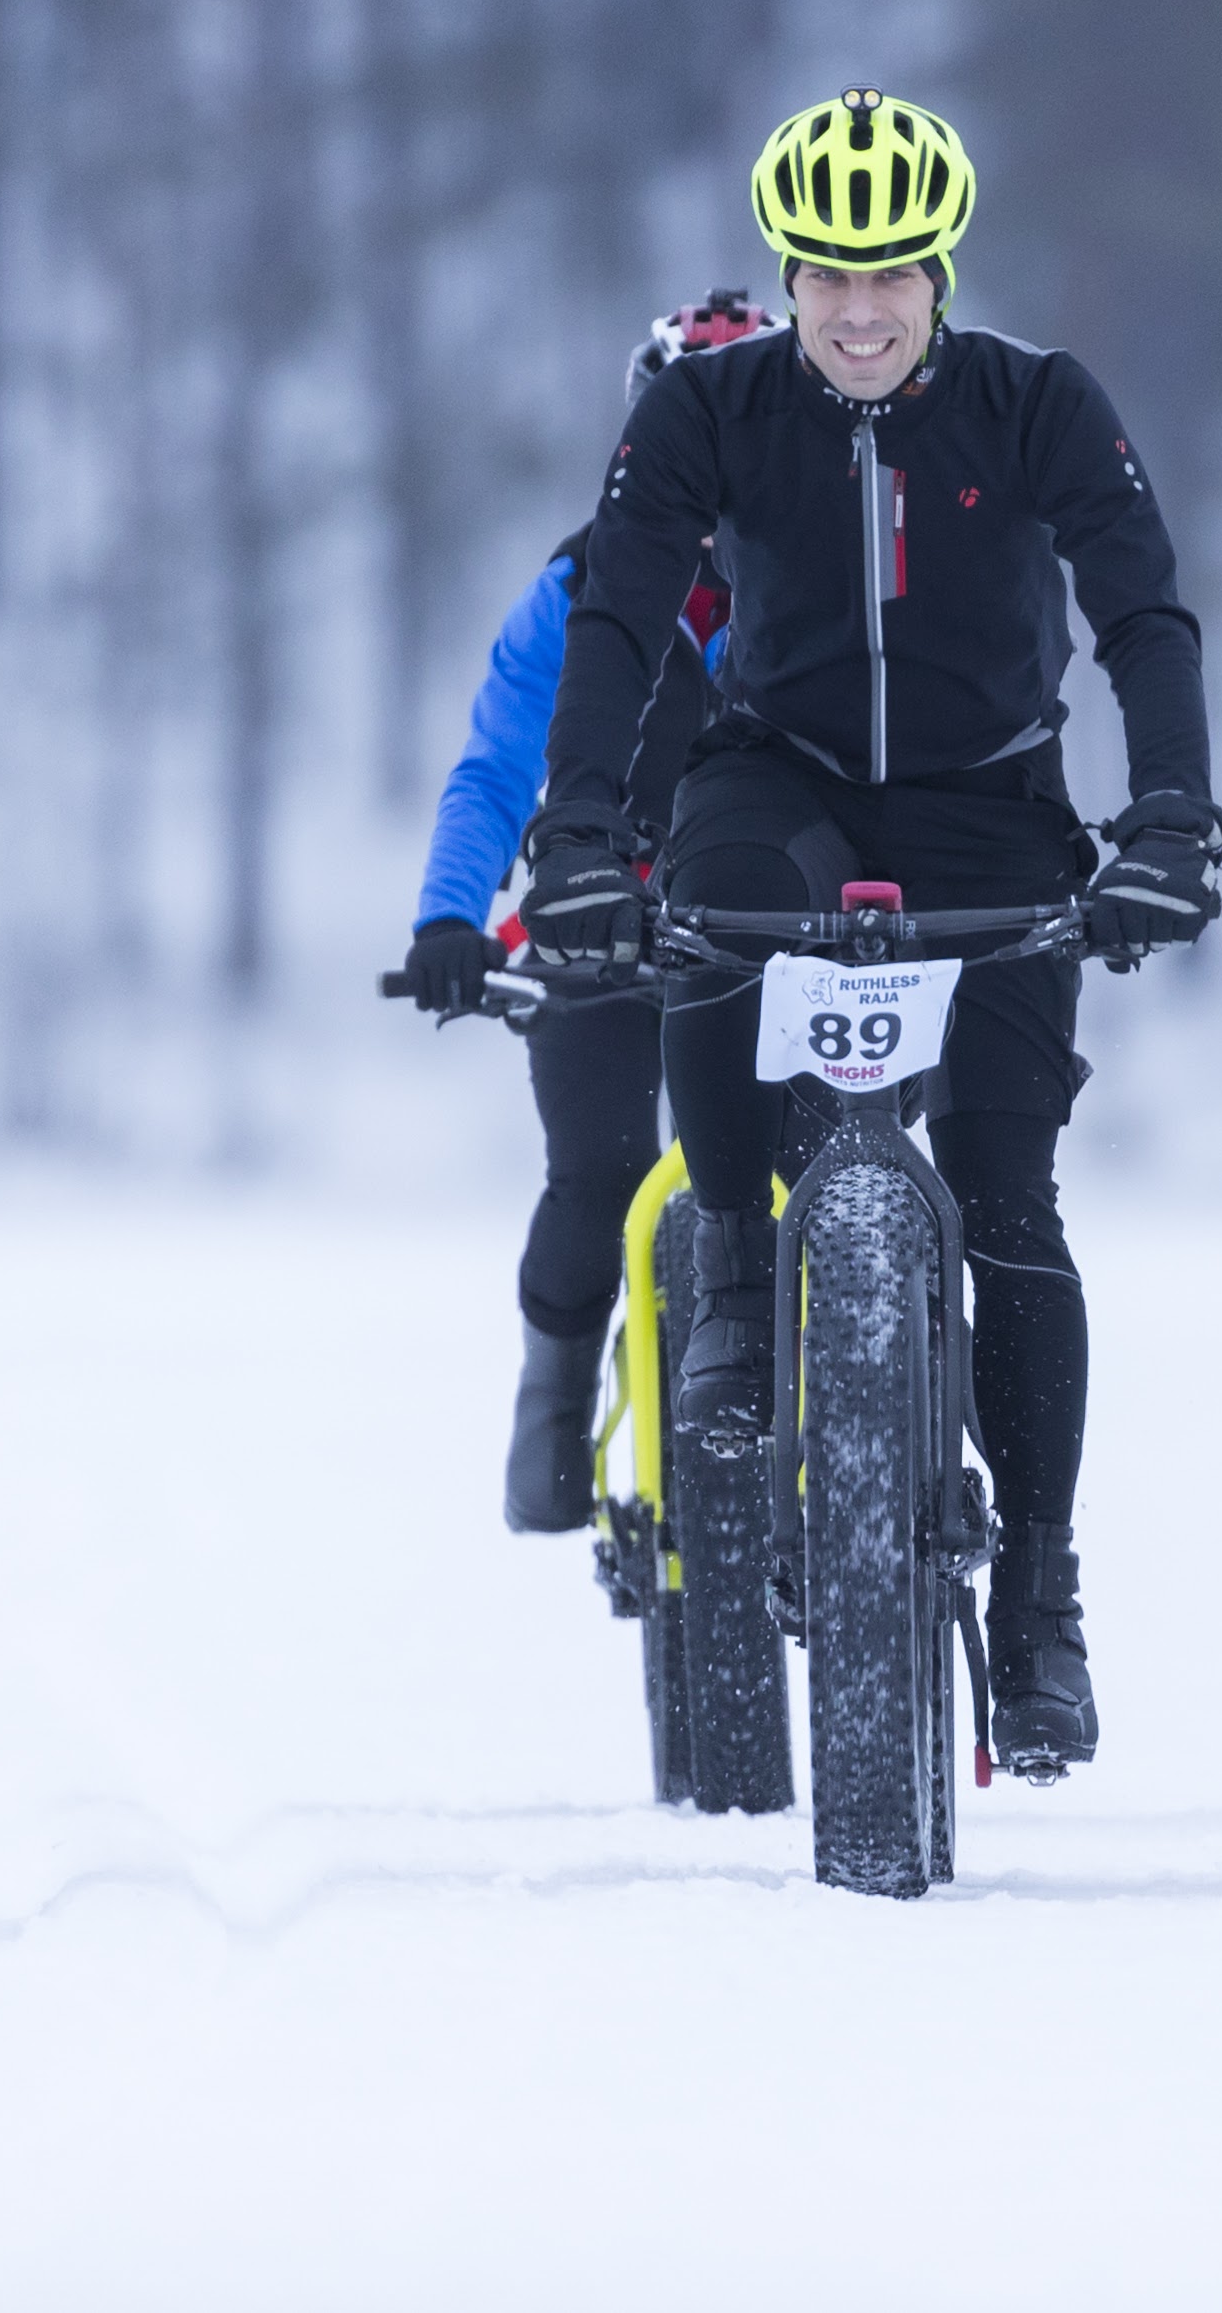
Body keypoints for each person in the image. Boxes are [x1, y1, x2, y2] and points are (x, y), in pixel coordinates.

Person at [513, 90, 1222, 1777]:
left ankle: (1038, 1594)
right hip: (784, 776)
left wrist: (1170, 817)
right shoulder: (710, 407)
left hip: (992, 801)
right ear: (786, 274)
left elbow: (1142, 611)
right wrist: (580, 834)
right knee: (710, 896)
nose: (857, 309)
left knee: (1010, 1200)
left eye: (891, 271)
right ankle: (738, 1269)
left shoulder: (1037, 404)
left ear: (941, 271)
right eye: (827, 273)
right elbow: (616, 618)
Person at [400, 289, 775, 1534]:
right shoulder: (575, 593)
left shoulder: (838, 578)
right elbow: (496, 771)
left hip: (777, 932)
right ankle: (553, 1393)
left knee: (813, 1173)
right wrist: (450, 920)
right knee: (604, 1169)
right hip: (601, 923)